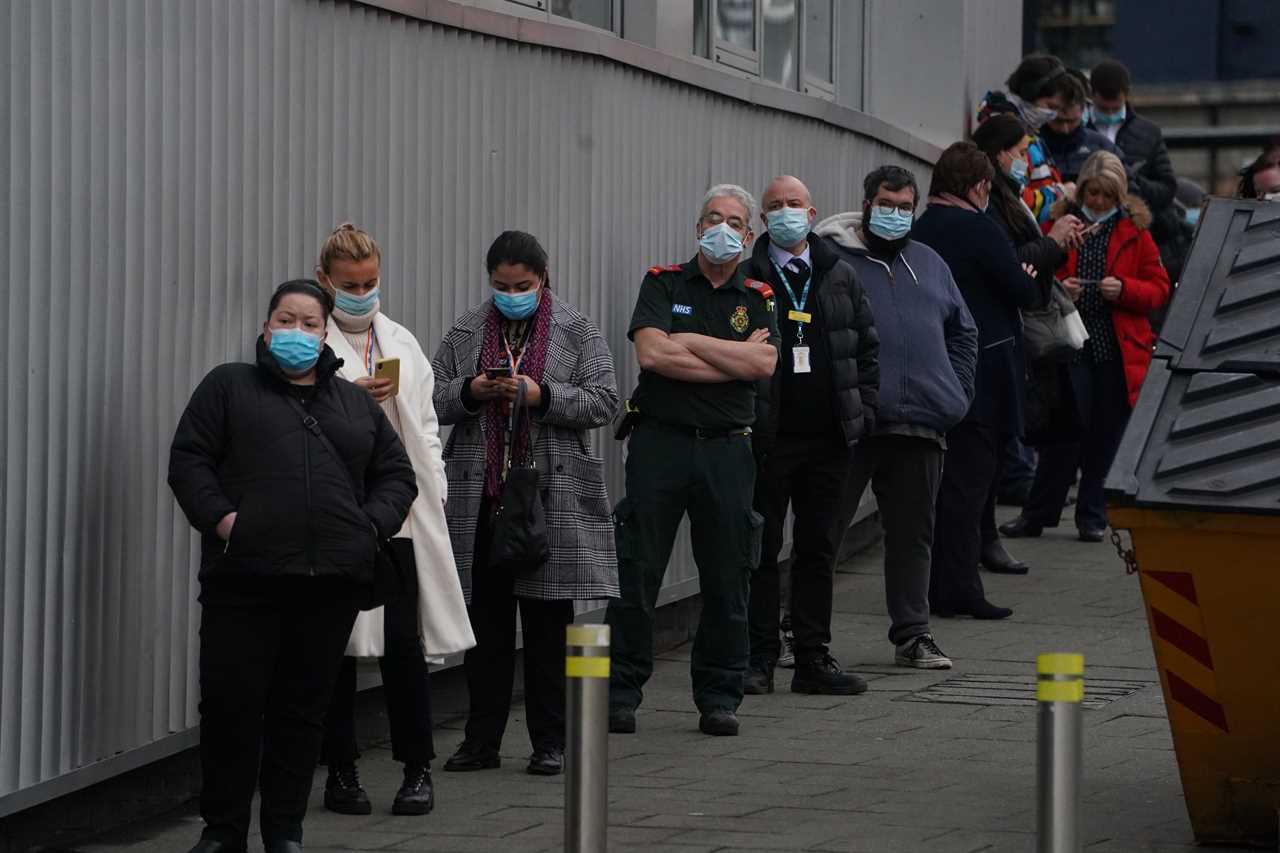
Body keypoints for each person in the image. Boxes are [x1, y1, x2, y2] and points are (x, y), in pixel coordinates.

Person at [168, 280, 418, 853]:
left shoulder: (354, 403)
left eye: (310, 323)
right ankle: (223, 832)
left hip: (326, 586)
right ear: (265, 328)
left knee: (301, 713)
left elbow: (396, 475)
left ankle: (285, 832)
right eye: (286, 320)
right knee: (231, 707)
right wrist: (228, 523)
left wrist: (368, 527)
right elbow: (190, 462)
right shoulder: (228, 386)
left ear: (326, 333)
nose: (297, 333)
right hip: (243, 582)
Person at [432, 230, 620, 776]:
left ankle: (550, 741)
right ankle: (480, 741)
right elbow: (434, 395)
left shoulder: (577, 329)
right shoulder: (468, 328)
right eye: (501, 285)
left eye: (523, 285)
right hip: (483, 497)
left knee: (546, 627)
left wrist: (542, 395)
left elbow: (604, 400)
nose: (511, 293)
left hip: (548, 499)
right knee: (485, 629)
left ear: (544, 278)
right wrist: (472, 391)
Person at [606, 184, 779, 738]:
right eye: (712, 218)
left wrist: (693, 343)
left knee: (729, 575)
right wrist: (733, 358)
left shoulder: (758, 294)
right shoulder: (662, 282)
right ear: (697, 226)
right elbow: (653, 355)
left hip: (729, 448)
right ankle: (620, 693)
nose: (722, 229)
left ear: (748, 235)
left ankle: (719, 695)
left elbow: (765, 364)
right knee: (637, 571)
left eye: (733, 221)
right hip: (662, 443)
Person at [314, 224, 474, 817]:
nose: (362, 292)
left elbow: (427, 423)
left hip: (399, 512)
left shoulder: (400, 339)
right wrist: (347, 397)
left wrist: (432, 479)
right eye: (351, 284)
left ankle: (416, 769)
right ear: (326, 280)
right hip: (334, 513)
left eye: (371, 282)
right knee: (335, 650)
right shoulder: (311, 339)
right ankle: (342, 772)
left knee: (403, 647)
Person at [815, 165, 978, 668]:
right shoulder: (831, 260)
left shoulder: (929, 263)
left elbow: (963, 331)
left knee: (913, 537)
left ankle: (913, 634)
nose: (896, 214)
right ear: (866, 205)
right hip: (851, 424)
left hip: (920, 423)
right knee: (823, 533)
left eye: (906, 207)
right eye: (887, 204)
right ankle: (800, 633)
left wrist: (955, 392)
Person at [739, 175, 880, 696]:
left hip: (829, 439)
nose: (784, 213)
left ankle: (813, 658)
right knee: (763, 550)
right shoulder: (748, 277)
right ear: (762, 220)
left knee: (819, 549)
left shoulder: (839, 274)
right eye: (774, 206)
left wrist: (861, 414)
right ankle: (758, 659)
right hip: (769, 438)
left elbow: (867, 348)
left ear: (811, 210)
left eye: (793, 204)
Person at [1000, 152, 1169, 544]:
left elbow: (1159, 288)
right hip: (1068, 345)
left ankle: (1091, 516)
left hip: (1115, 351)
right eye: (1092, 193)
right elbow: (1032, 271)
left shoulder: (1136, 232)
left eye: (1107, 196)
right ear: (1082, 192)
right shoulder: (1058, 226)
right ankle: (1038, 514)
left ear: (1119, 196)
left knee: (1105, 437)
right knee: (1063, 435)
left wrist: (1125, 290)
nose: (1098, 203)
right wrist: (1061, 288)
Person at [911, 142, 1046, 620]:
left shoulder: (920, 229)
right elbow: (1022, 290)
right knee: (970, 487)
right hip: (982, 377)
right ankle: (962, 589)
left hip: (929, 372)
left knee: (937, 489)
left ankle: (931, 587)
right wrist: (1031, 270)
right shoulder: (980, 229)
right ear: (979, 186)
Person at [972, 114, 1087, 576]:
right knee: (995, 447)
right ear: (999, 154)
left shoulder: (1009, 197)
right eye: (1020, 152)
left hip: (1016, 332)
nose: (1026, 162)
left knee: (1010, 441)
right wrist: (1054, 242)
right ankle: (982, 538)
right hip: (1000, 336)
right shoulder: (993, 204)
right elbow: (1011, 265)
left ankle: (986, 537)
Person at [1088, 60, 1179, 264]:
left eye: (1116, 107)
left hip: (1136, 232)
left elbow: (1167, 188)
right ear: (1092, 95)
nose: (1110, 113)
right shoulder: (1079, 132)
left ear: (1126, 94)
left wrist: (1131, 180)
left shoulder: (1149, 133)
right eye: (1104, 108)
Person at [977, 54, 1075, 223]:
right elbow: (1019, 196)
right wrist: (1062, 193)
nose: (1051, 115)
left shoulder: (1028, 131)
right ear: (1031, 92)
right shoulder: (1008, 134)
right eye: (1050, 106)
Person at [1039, 71, 1125, 185]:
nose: (1065, 129)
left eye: (1072, 121)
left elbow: (1128, 190)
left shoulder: (1104, 148)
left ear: (1083, 110)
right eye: (1058, 121)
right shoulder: (1029, 147)